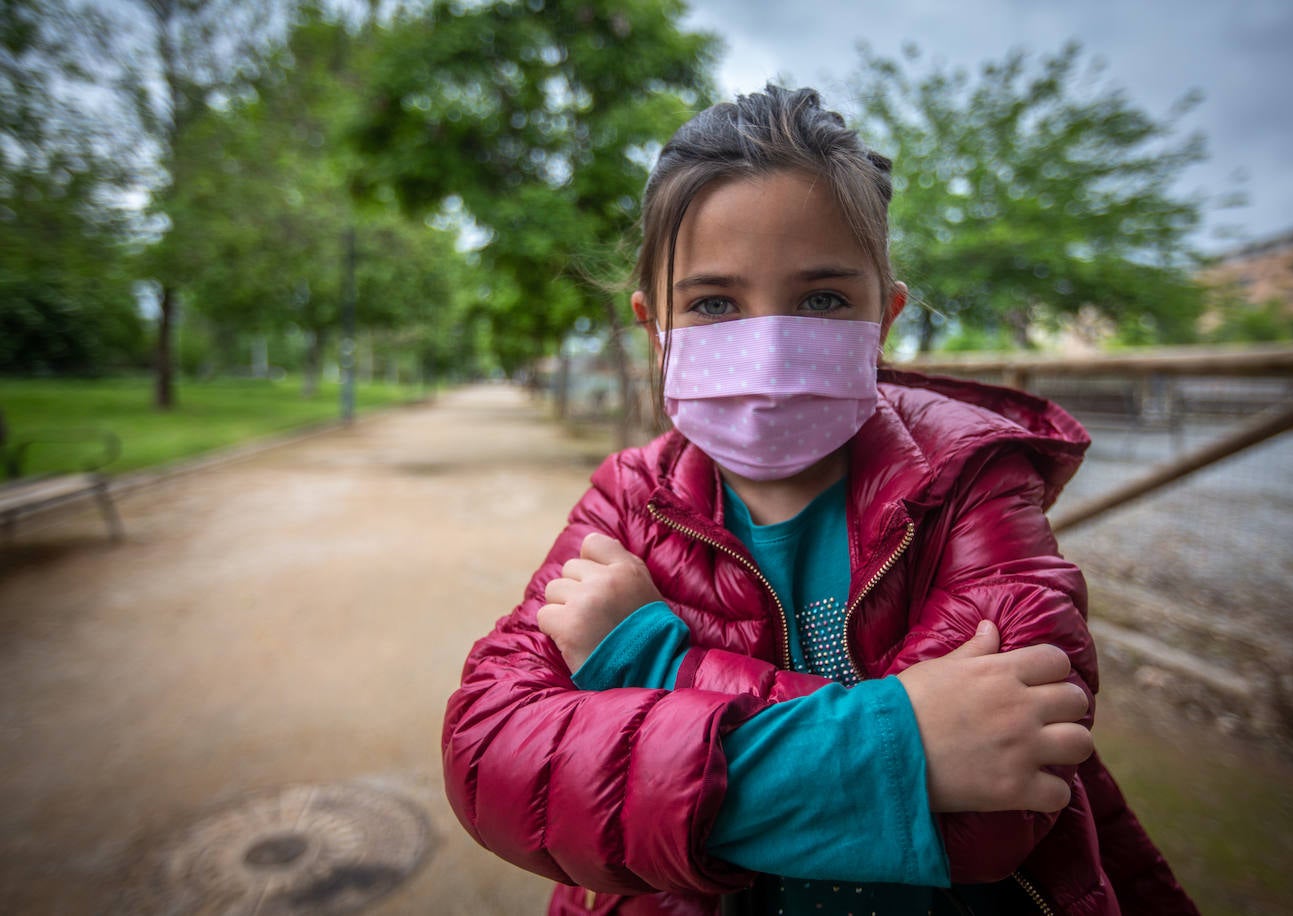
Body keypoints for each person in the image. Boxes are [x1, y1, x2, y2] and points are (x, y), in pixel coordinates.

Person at [443, 86, 1196, 915]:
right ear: (652, 326)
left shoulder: (975, 481)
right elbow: (493, 761)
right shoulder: (628, 501)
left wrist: (658, 667)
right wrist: (900, 750)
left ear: (886, 317)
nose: (766, 342)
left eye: (823, 300)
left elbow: (1005, 799)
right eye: (714, 304)